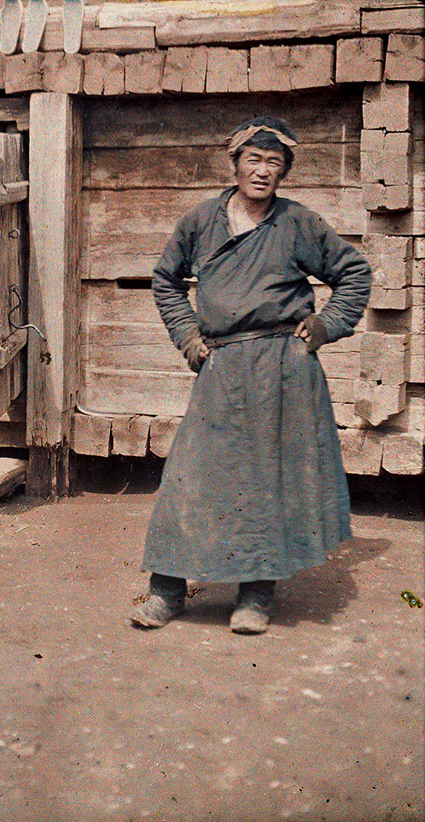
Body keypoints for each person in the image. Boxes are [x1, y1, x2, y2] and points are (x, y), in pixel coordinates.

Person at [130, 116, 372, 635]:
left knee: (269, 483)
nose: (263, 172)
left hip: (282, 368)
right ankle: (166, 591)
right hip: (221, 364)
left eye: (275, 164)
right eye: (254, 160)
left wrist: (327, 325)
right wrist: (188, 337)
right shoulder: (201, 221)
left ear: (284, 173)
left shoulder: (297, 223)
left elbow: (354, 273)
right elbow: (166, 280)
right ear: (235, 163)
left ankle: (256, 597)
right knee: (190, 477)